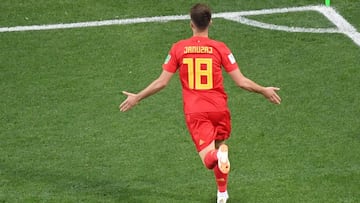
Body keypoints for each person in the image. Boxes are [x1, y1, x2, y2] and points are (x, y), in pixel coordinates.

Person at [119, 3, 281, 203]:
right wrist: (264, 90)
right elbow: (241, 81)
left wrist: (137, 97)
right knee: (220, 149)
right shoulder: (220, 48)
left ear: (191, 24)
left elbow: (161, 82)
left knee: (209, 159)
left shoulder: (179, 48)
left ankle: (220, 168)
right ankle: (222, 193)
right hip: (219, 108)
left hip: (196, 111)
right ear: (210, 22)